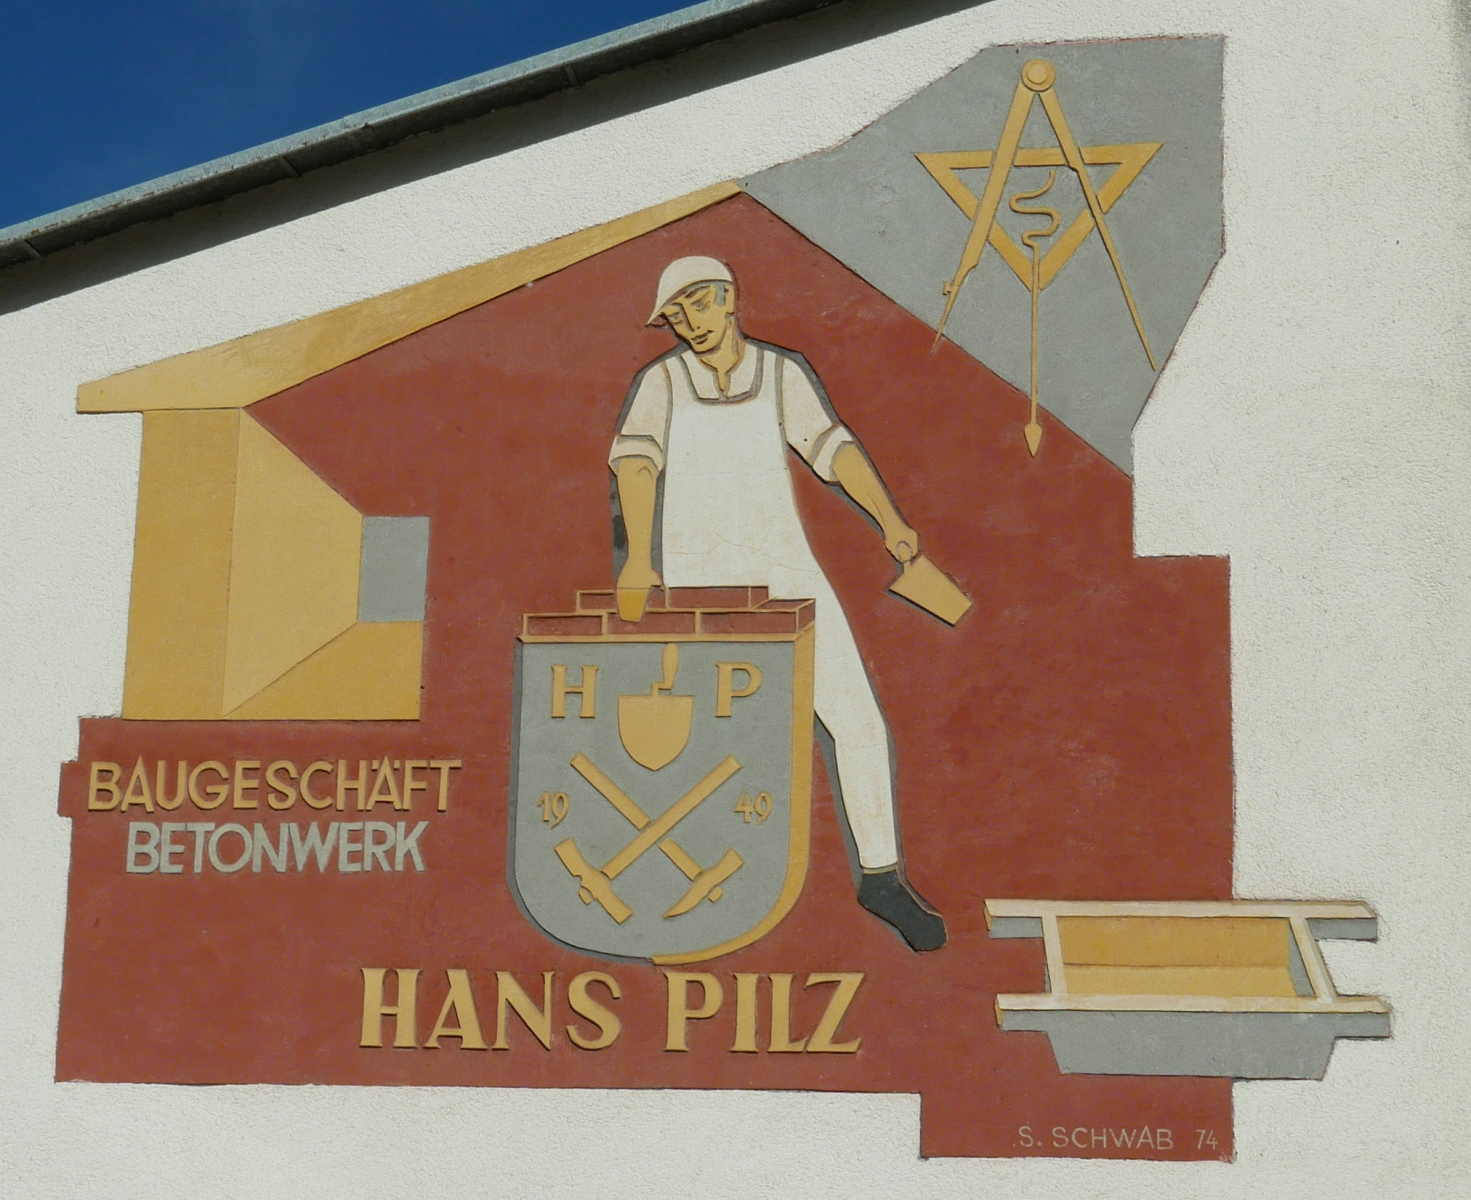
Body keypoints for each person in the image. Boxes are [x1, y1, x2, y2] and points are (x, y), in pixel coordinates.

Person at [608, 255, 946, 952]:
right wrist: (638, 560)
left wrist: (889, 521)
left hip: (789, 574)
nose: (690, 322)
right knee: (705, 740)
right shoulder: (661, 383)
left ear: (729, 297)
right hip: (700, 585)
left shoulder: (781, 373)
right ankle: (688, 887)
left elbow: (834, 450)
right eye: (676, 314)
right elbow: (635, 463)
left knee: (857, 721)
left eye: (700, 304)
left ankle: (880, 876)